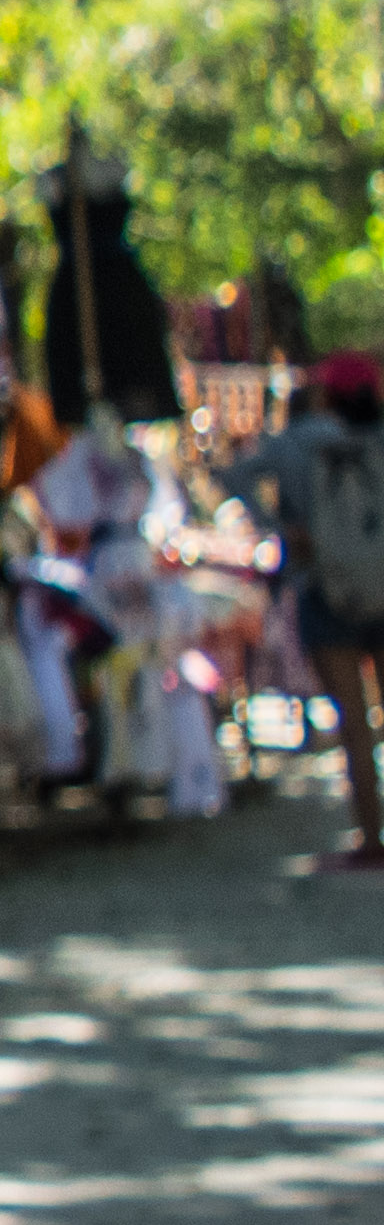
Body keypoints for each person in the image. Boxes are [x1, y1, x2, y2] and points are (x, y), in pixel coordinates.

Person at [230, 352, 384, 868]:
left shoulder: (295, 443)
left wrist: (279, 525)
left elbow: (231, 477)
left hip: (324, 587)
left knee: (353, 725)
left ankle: (370, 839)